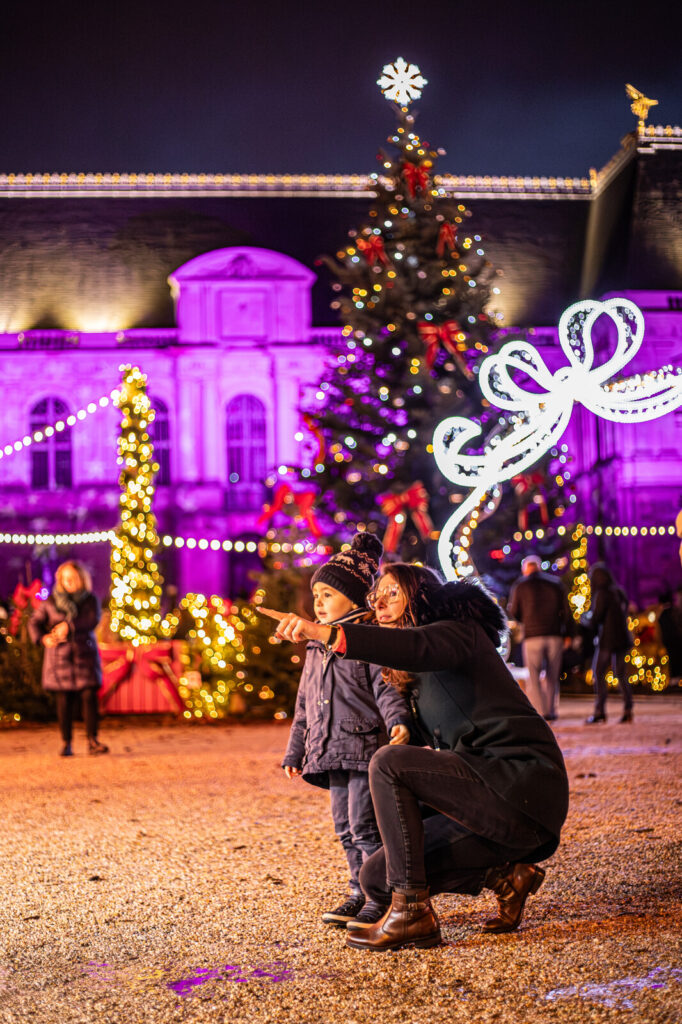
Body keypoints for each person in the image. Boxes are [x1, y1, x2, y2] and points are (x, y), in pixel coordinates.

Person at [266, 563, 570, 952]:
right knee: (376, 875)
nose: (380, 601)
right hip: (488, 806)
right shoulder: (411, 672)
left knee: (389, 763)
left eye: (394, 592)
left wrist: (323, 633)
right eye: (378, 594)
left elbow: (416, 648)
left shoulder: (458, 632)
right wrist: (404, 727)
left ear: (422, 595)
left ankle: (413, 915)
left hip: (520, 786)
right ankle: (507, 877)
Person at [281, 533, 412, 928]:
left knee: (364, 825)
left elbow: (386, 685)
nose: (317, 602)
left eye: (327, 594)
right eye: (316, 594)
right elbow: (303, 706)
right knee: (344, 826)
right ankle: (358, 889)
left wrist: (397, 720)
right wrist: (295, 751)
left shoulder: (364, 641)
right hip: (329, 750)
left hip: (363, 746)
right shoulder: (314, 648)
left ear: (354, 599)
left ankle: (380, 894)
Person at [28, 560, 108, 757]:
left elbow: (92, 620)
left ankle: (92, 740)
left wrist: (69, 627)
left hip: (84, 655)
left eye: (72, 578)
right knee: (64, 700)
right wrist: (43, 638)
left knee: (89, 697)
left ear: (81, 579)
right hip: (59, 659)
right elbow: (34, 623)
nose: (69, 581)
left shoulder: (90, 600)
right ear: (60, 580)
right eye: (65, 578)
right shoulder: (50, 602)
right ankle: (66, 743)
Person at [508, 555, 572, 721]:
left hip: (532, 636)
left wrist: (526, 620)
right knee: (552, 674)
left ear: (525, 569)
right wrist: (569, 633)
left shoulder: (520, 585)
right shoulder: (555, 583)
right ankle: (551, 711)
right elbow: (566, 610)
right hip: (554, 634)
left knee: (534, 675)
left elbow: (513, 611)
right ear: (539, 567)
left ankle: (539, 712)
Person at [583, 563, 633, 724]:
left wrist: (584, 618)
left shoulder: (602, 594)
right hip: (622, 638)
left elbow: (596, 618)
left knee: (598, 672)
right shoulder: (618, 592)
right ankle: (628, 709)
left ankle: (600, 711)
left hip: (607, 639)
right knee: (621, 674)